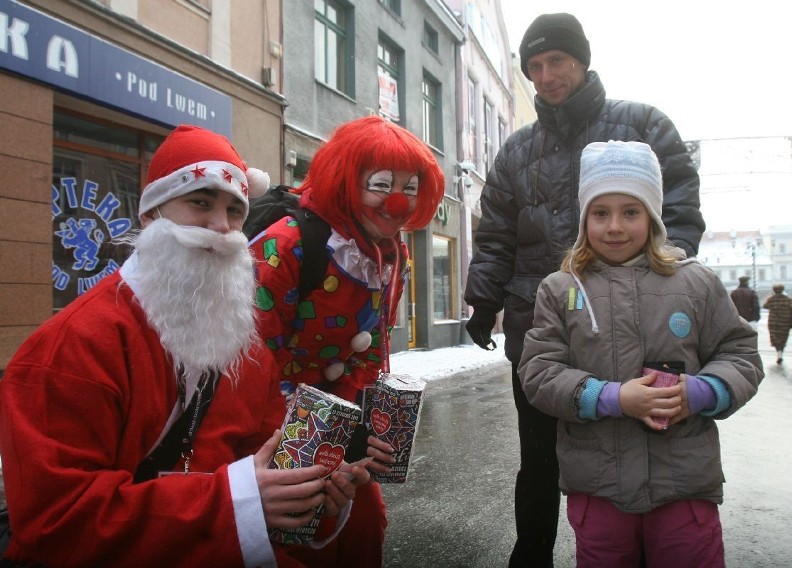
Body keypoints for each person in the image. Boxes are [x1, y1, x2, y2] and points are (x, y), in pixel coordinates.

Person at [0, 124, 371, 568]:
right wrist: (237, 501)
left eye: (236, 211)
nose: (221, 228)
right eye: (200, 202)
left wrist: (309, 495)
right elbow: (56, 522)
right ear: (150, 217)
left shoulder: (245, 348)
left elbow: (265, 467)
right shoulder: (69, 347)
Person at [463, 12, 705, 566]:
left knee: (637, 446)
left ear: (582, 60)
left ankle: (636, 550)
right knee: (540, 459)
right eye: (535, 67)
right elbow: (496, 231)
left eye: (557, 62)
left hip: (634, 321)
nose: (546, 76)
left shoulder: (643, 125)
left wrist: (666, 280)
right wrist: (485, 299)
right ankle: (532, 556)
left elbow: (682, 213)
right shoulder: (516, 152)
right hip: (541, 325)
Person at [518, 140, 763, 567]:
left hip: (683, 488)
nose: (614, 226)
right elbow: (539, 372)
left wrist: (702, 393)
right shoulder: (561, 289)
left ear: (652, 217)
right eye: (600, 213)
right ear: (584, 219)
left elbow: (739, 354)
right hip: (600, 490)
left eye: (630, 212)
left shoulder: (696, 284)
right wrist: (610, 398)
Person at [249, 115, 445, 567]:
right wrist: (305, 441)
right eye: (381, 184)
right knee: (295, 533)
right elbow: (253, 359)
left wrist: (365, 433)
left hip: (339, 408)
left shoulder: (392, 250)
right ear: (347, 179)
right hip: (271, 419)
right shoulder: (288, 243)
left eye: (410, 188)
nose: (397, 202)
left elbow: (372, 347)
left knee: (364, 522)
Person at [763, 283, 792, 364]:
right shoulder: (787, 299)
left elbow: (765, 306)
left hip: (773, 323)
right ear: (783, 290)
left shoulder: (771, 299)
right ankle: (781, 352)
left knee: (775, 338)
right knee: (783, 338)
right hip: (785, 322)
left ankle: (778, 352)